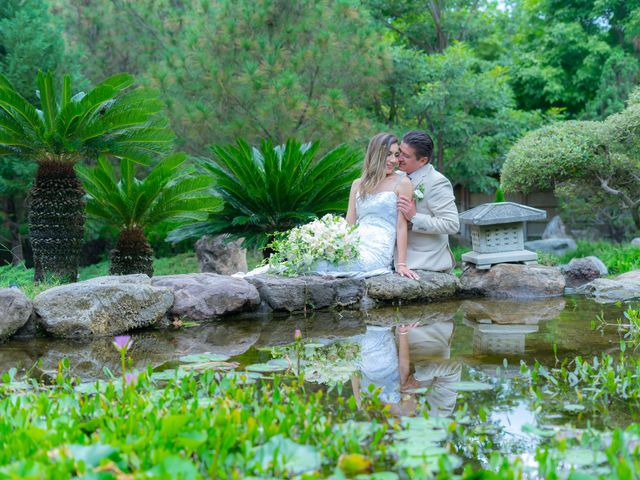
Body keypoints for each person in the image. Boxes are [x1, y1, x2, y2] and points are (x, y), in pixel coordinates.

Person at [310, 132, 418, 279]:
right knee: (315, 258)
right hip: (354, 243)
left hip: (378, 249)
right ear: (375, 155)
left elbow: (401, 226)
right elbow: (350, 221)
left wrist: (401, 264)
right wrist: (335, 244)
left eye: (396, 154)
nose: (393, 160)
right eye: (388, 154)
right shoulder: (358, 184)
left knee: (331, 265)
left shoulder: (402, 183)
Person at [396, 131, 459, 272]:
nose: (398, 158)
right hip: (391, 254)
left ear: (422, 161)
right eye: (399, 152)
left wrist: (414, 217)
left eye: (405, 156)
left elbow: (452, 225)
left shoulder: (437, 182)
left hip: (423, 260)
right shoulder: (396, 176)